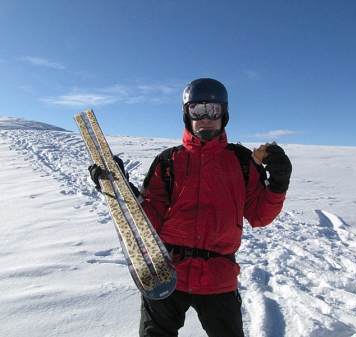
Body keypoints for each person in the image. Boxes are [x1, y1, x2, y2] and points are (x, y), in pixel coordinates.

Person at [89, 78, 292, 337]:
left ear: (224, 114)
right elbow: (149, 218)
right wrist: (121, 188)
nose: (206, 117)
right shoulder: (167, 161)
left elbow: (259, 215)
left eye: (214, 110)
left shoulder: (241, 162)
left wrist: (278, 183)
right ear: (187, 115)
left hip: (218, 278)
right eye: (197, 110)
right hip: (166, 272)